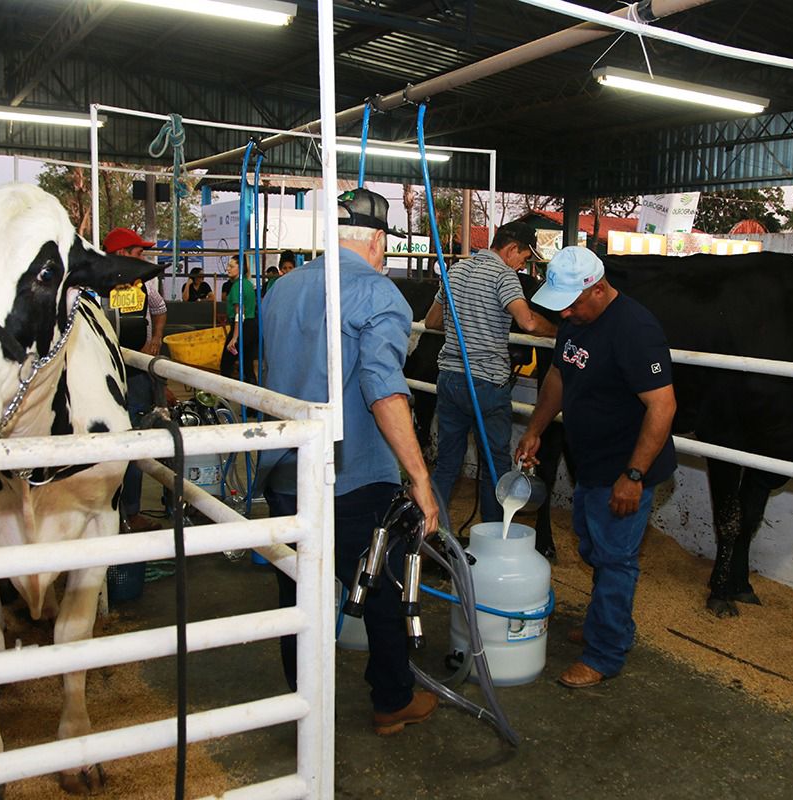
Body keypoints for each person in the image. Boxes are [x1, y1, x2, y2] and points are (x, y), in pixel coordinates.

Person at [259, 187, 440, 735]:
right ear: (377, 240)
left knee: (298, 591)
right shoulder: (378, 294)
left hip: (286, 469)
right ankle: (391, 701)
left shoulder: (281, 289)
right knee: (381, 585)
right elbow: (384, 389)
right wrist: (421, 478)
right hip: (352, 476)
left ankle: (302, 707)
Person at [515, 246, 676, 689]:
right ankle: (612, 622)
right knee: (591, 546)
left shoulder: (634, 329)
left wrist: (635, 477)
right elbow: (558, 377)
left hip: (626, 467)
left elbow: (662, 407)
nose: (565, 312)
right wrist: (536, 429)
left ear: (599, 288)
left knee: (615, 560)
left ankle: (605, 653)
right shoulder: (575, 324)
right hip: (590, 461)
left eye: (572, 303)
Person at [423, 221, 556, 523]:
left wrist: (467, 324)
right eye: (524, 257)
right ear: (511, 249)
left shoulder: (454, 271)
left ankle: (432, 539)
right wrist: (559, 332)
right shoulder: (504, 276)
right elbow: (529, 323)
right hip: (486, 382)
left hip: (450, 379)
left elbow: (431, 322)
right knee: (495, 466)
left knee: (446, 465)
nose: (523, 264)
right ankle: (492, 541)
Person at [103, 227, 168, 532]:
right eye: (139, 253)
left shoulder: (143, 284)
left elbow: (160, 309)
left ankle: (131, 511)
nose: (144, 258)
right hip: (101, 373)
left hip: (136, 372)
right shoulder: (94, 286)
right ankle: (103, 513)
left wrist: (155, 339)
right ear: (121, 255)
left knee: (134, 438)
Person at [220, 256, 259, 384]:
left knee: (226, 366)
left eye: (231, 266)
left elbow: (239, 314)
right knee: (248, 366)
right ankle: (252, 402)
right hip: (252, 327)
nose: (228, 269)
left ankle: (225, 400)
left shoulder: (238, 286)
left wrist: (235, 338)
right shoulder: (248, 284)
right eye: (228, 266)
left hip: (242, 327)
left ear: (240, 268)